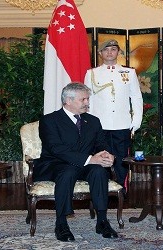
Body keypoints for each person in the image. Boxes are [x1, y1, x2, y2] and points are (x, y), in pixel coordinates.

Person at [33, 83, 118, 242]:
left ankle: (102, 221)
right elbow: (56, 148)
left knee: (99, 171)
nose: (87, 102)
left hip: (85, 164)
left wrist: (107, 155)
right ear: (68, 101)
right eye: (83, 99)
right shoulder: (49, 120)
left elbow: (101, 143)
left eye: (87, 99)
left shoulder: (93, 121)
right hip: (56, 164)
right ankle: (61, 223)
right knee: (68, 171)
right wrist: (91, 159)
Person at [85, 39, 143, 191]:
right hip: (99, 126)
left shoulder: (129, 73)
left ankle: (121, 192)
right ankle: (101, 190)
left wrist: (135, 122)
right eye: (106, 50)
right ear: (100, 53)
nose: (109, 52)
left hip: (122, 125)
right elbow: (87, 100)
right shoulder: (91, 73)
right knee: (101, 160)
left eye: (113, 49)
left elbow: (136, 97)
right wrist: (88, 125)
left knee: (121, 161)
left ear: (118, 52)